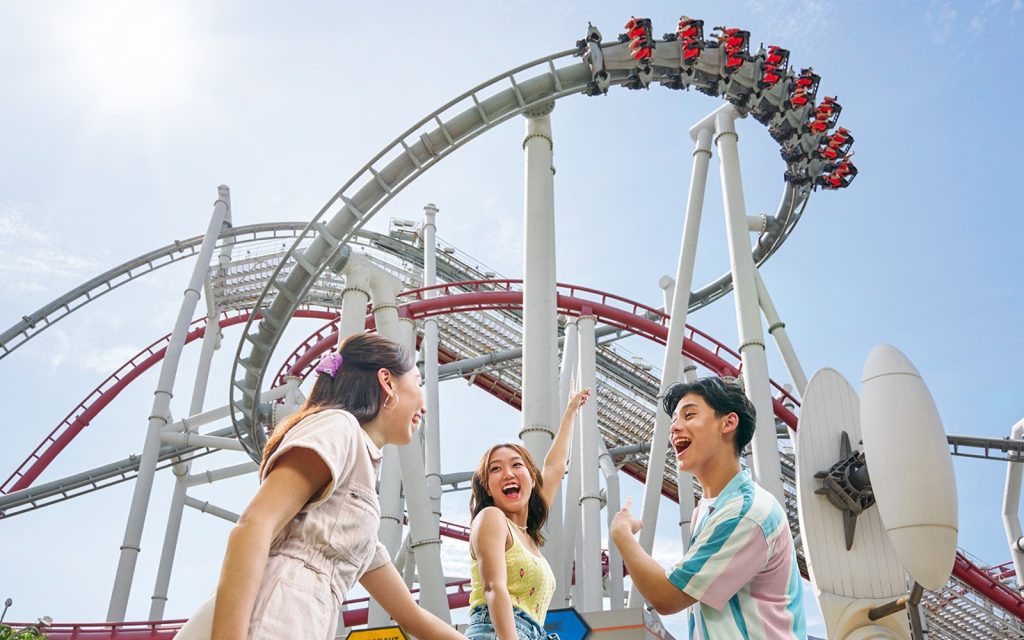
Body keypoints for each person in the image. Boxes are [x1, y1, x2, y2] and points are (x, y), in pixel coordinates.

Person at [175, 333, 465, 640]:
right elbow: (254, 524)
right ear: (387, 382)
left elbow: (411, 616)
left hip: (304, 620)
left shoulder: (356, 517)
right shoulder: (338, 425)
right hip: (277, 612)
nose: (424, 405)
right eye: (418, 382)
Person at [610, 377, 806, 640]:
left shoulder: (746, 512)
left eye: (689, 415)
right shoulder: (707, 509)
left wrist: (621, 534)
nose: (674, 427)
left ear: (729, 423)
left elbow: (666, 596)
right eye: (674, 420)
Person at [465, 388, 591, 640]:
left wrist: (570, 412)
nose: (508, 473)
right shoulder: (491, 517)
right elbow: (493, 588)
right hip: (497, 631)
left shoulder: (527, 536)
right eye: (496, 469)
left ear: (532, 479)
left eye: (517, 465)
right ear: (487, 487)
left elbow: (555, 466)